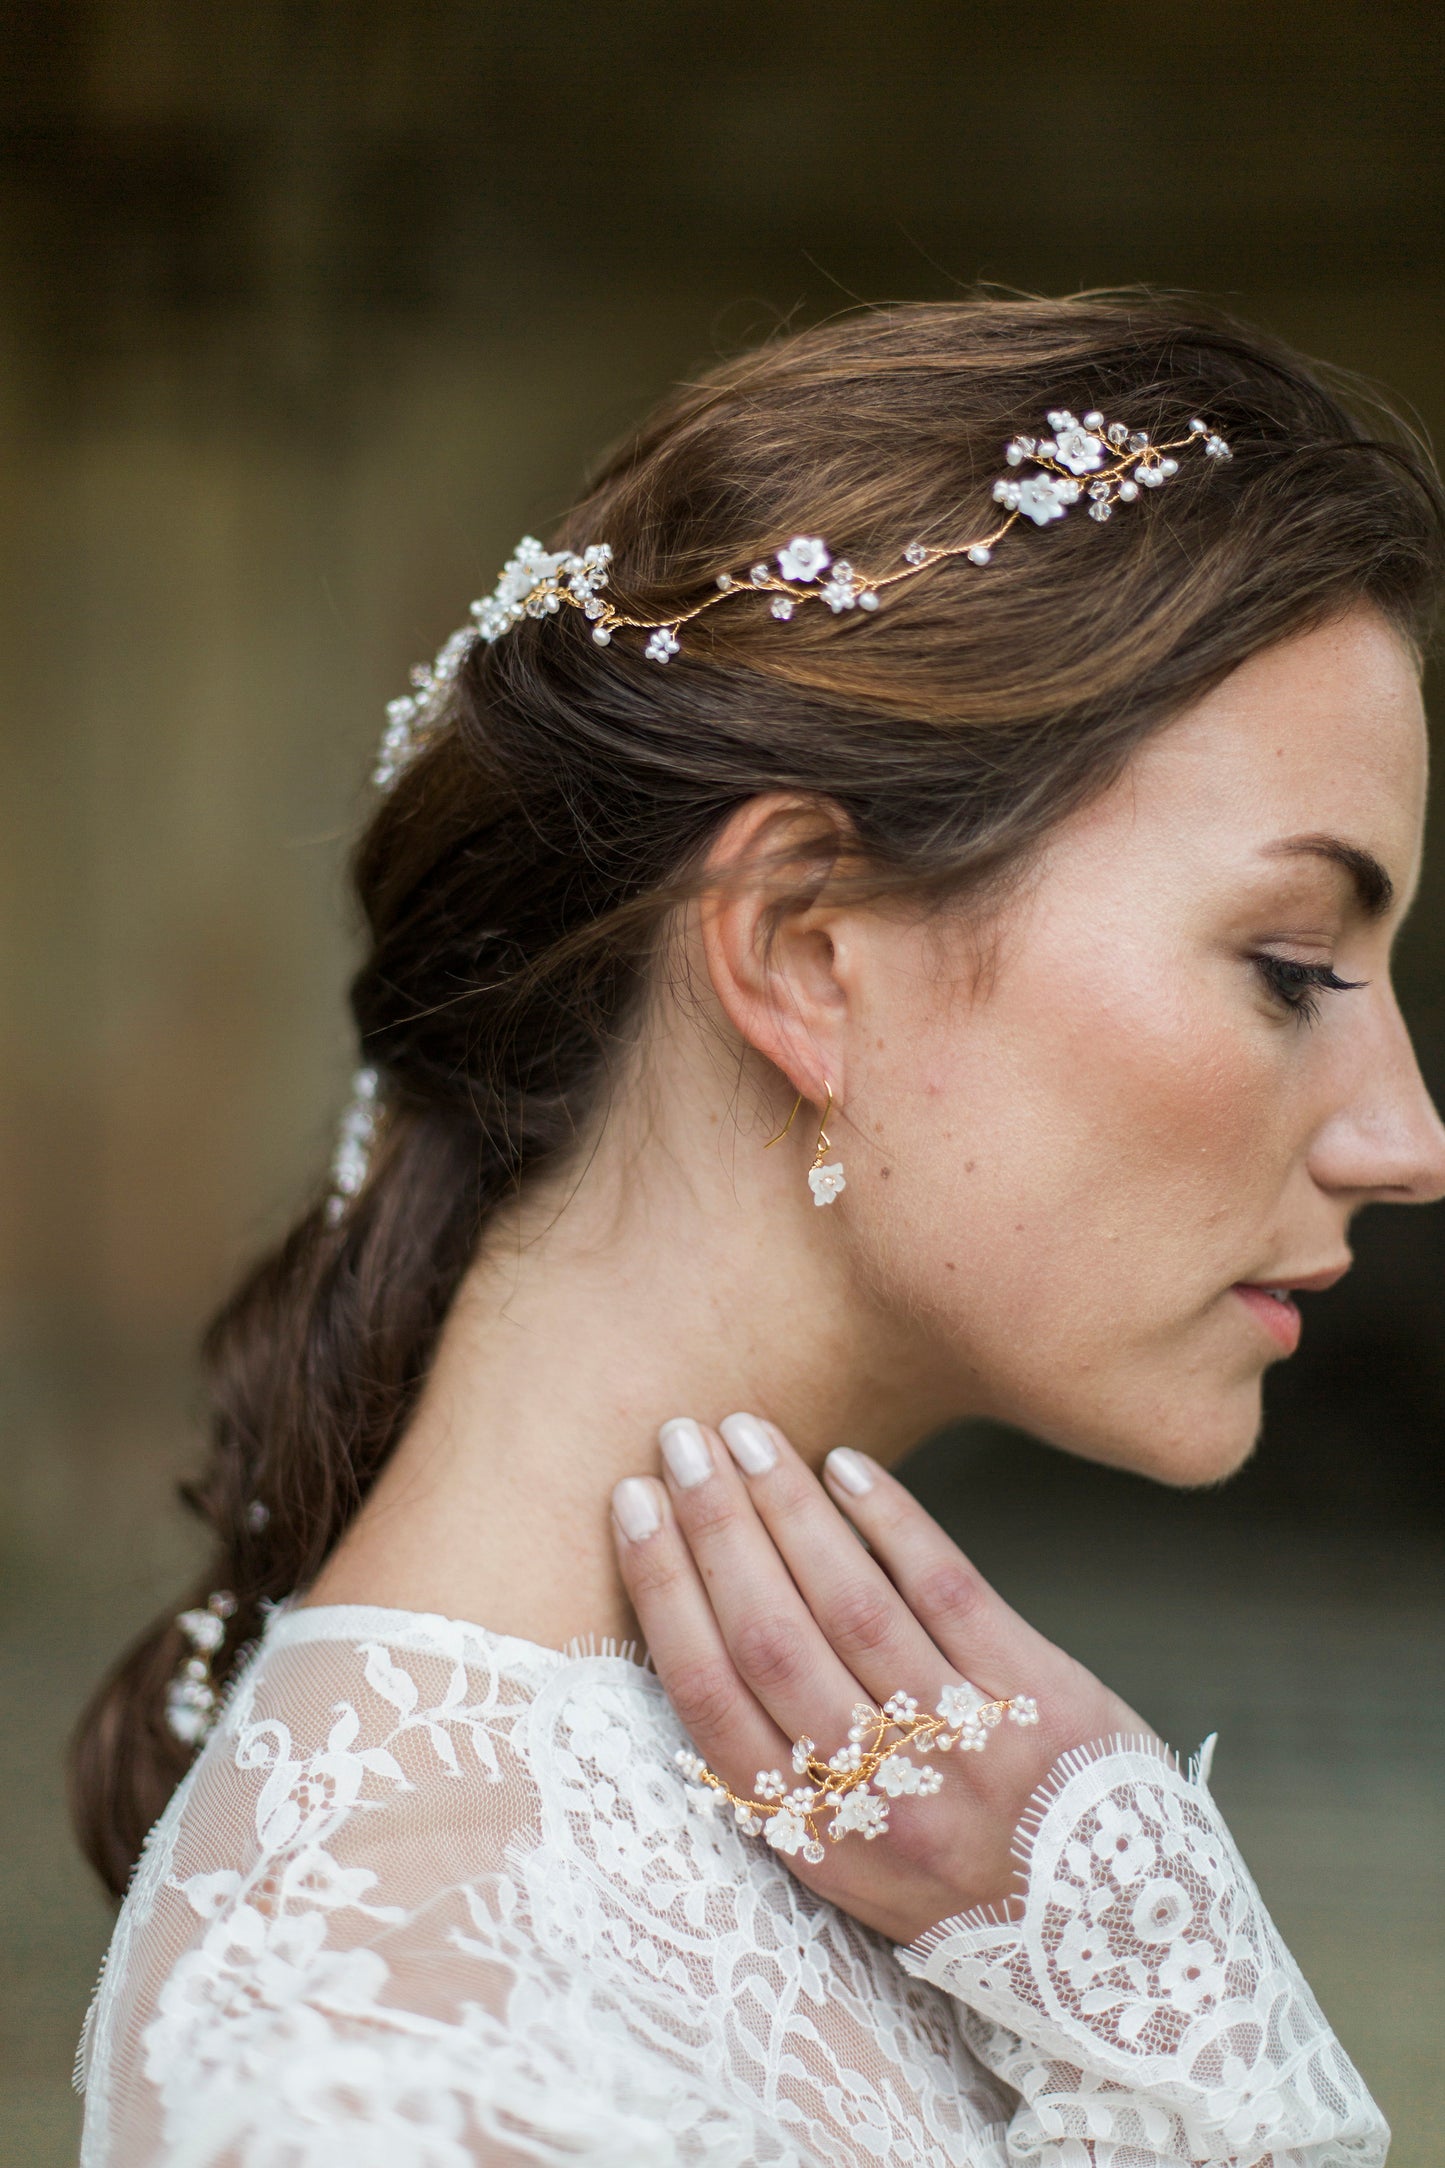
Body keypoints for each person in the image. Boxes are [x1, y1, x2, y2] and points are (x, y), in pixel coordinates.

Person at [72, 295, 1445, 2166]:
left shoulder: (922, 1840)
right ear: (805, 951)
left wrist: (1146, 1989)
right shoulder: (384, 2046)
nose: (1408, 1138)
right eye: (1291, 967)